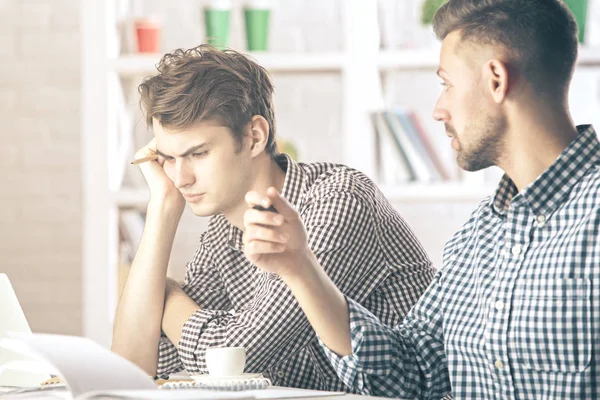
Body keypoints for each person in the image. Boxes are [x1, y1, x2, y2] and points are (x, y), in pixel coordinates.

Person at [241, 0, 600, 398]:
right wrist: (299, 266)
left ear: (496, 79)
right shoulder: (477, 237)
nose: (438, 109)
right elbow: (407, 373)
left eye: (446, 83)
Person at [110, 44, 435, 391]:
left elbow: (234, 354)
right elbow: (133, 366)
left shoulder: (338, 201)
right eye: (167, 159)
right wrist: (162, 206)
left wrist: (168, 294)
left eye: (198, 154)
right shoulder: (222, 232)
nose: (180, 178)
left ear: (254, 137)